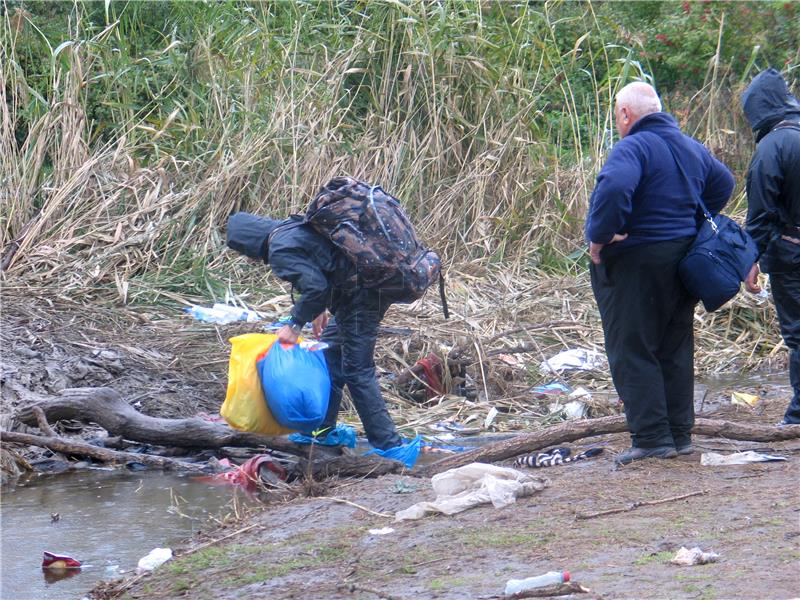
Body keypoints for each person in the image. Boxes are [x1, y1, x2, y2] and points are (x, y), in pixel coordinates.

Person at [585, 81, 735, 465]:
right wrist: (691, 219)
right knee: (673, 346)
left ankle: (652, 438)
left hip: (637, 260)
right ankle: (680, 436)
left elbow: (614, 186)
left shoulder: (633, 147)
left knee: (633, 347)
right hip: (683, 258)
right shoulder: (690, 147)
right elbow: (724, 182)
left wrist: (601, 236)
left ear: (625, 114)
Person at [225, 212, 403, 451]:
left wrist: (294, 325)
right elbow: (322, 270)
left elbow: (316, 287)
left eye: (243, 251)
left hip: (361, 298)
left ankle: (389, 448)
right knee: (329, 355)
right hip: (360, 293)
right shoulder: (289, 229)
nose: (249, 259)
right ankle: (320, 432)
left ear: (248, 243)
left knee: (358, 371)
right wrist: (318, 309)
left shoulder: (279, 249)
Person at [740, 68, 800, 426]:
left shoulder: (773, 147)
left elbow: (760, 213)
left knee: (798, 333)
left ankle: (797, 417)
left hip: (791, 253)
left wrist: (751, 259)